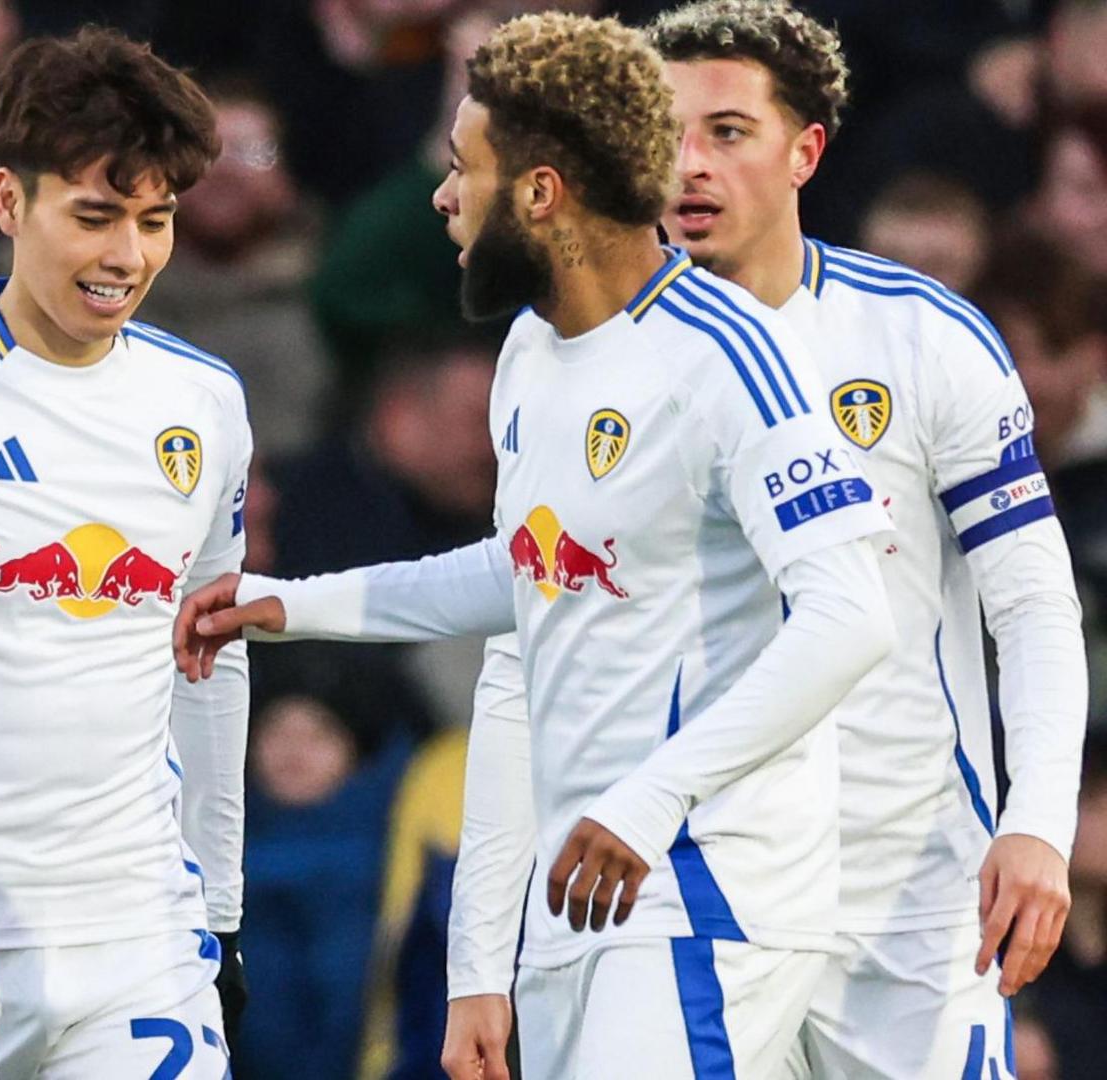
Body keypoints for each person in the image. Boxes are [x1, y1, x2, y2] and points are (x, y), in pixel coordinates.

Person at [174, 12, 897, 1078]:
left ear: (541, 194)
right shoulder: (530, 354)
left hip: (701, 889)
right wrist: (289, 602)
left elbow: (850, 617)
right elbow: (525, 588)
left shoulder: (730, 355)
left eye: (462, 169)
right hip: (576, 902)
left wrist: (651, 800)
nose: (442, 197)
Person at [648, 5, 1084, 1076]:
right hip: (698, 882)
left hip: (908, 893)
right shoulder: (592, 355)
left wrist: (1038, 824)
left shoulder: (921, 334)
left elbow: (1029, 600)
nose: (690, 166)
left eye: (729, 131)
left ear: (807, 151)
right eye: (668, 135)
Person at [0, 27, 248, 1077]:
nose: (127, 258)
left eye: (155, 221)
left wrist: (224, 902)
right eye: (95, 216)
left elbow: (210, 655)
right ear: (11, 202)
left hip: (139, 937)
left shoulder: (203, 403)